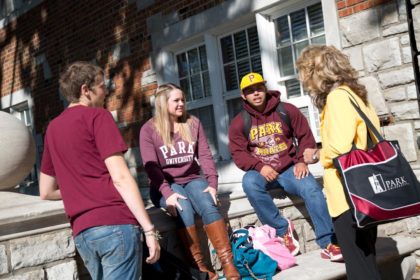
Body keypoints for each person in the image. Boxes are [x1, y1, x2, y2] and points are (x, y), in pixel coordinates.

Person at [39, 61, 160, 280]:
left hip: (83, 233)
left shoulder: (53, 129)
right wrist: (149, 229)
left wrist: (80, 190)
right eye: (102, 86)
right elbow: (121, 178)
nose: (106, 91)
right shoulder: (98, 117)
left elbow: (46, 191)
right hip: (115, 224)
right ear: (86, 90)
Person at [228, 72, 343, 261]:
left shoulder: (286, 110)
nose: (255, 93)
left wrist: (300, 161)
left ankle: (329, 241)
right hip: (263, 172)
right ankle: (282, 231)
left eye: (258, 88)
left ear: (265, 88)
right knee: (249, 183)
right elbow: (238, 153)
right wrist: (259, 166)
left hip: (290, 168)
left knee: (311, 188)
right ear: (243, 96)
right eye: (250, 91)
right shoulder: (239, 122)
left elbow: (305, 137)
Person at [297, 45, 382, 279]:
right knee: (367, 263)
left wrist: (316, 155)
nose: (305, 81)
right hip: (366, 193)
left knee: (359, 268)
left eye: (305, 73)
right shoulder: (355, 94)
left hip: (348, 197)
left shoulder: (337, 98)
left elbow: (339, 150)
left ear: (316, 72)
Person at [139, 83, 240, 280]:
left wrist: (212, 185)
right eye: (176, 100)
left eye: (183, 100)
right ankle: (200, 268)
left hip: (193, 179)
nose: (182, 104)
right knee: (183, 207)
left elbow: (205, 155)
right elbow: (151, 168)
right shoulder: (148, 130)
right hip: (165, 185)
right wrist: (167, 194)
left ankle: (228, 264)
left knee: (207, 204)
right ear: (162, 103)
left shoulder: (192, 123)